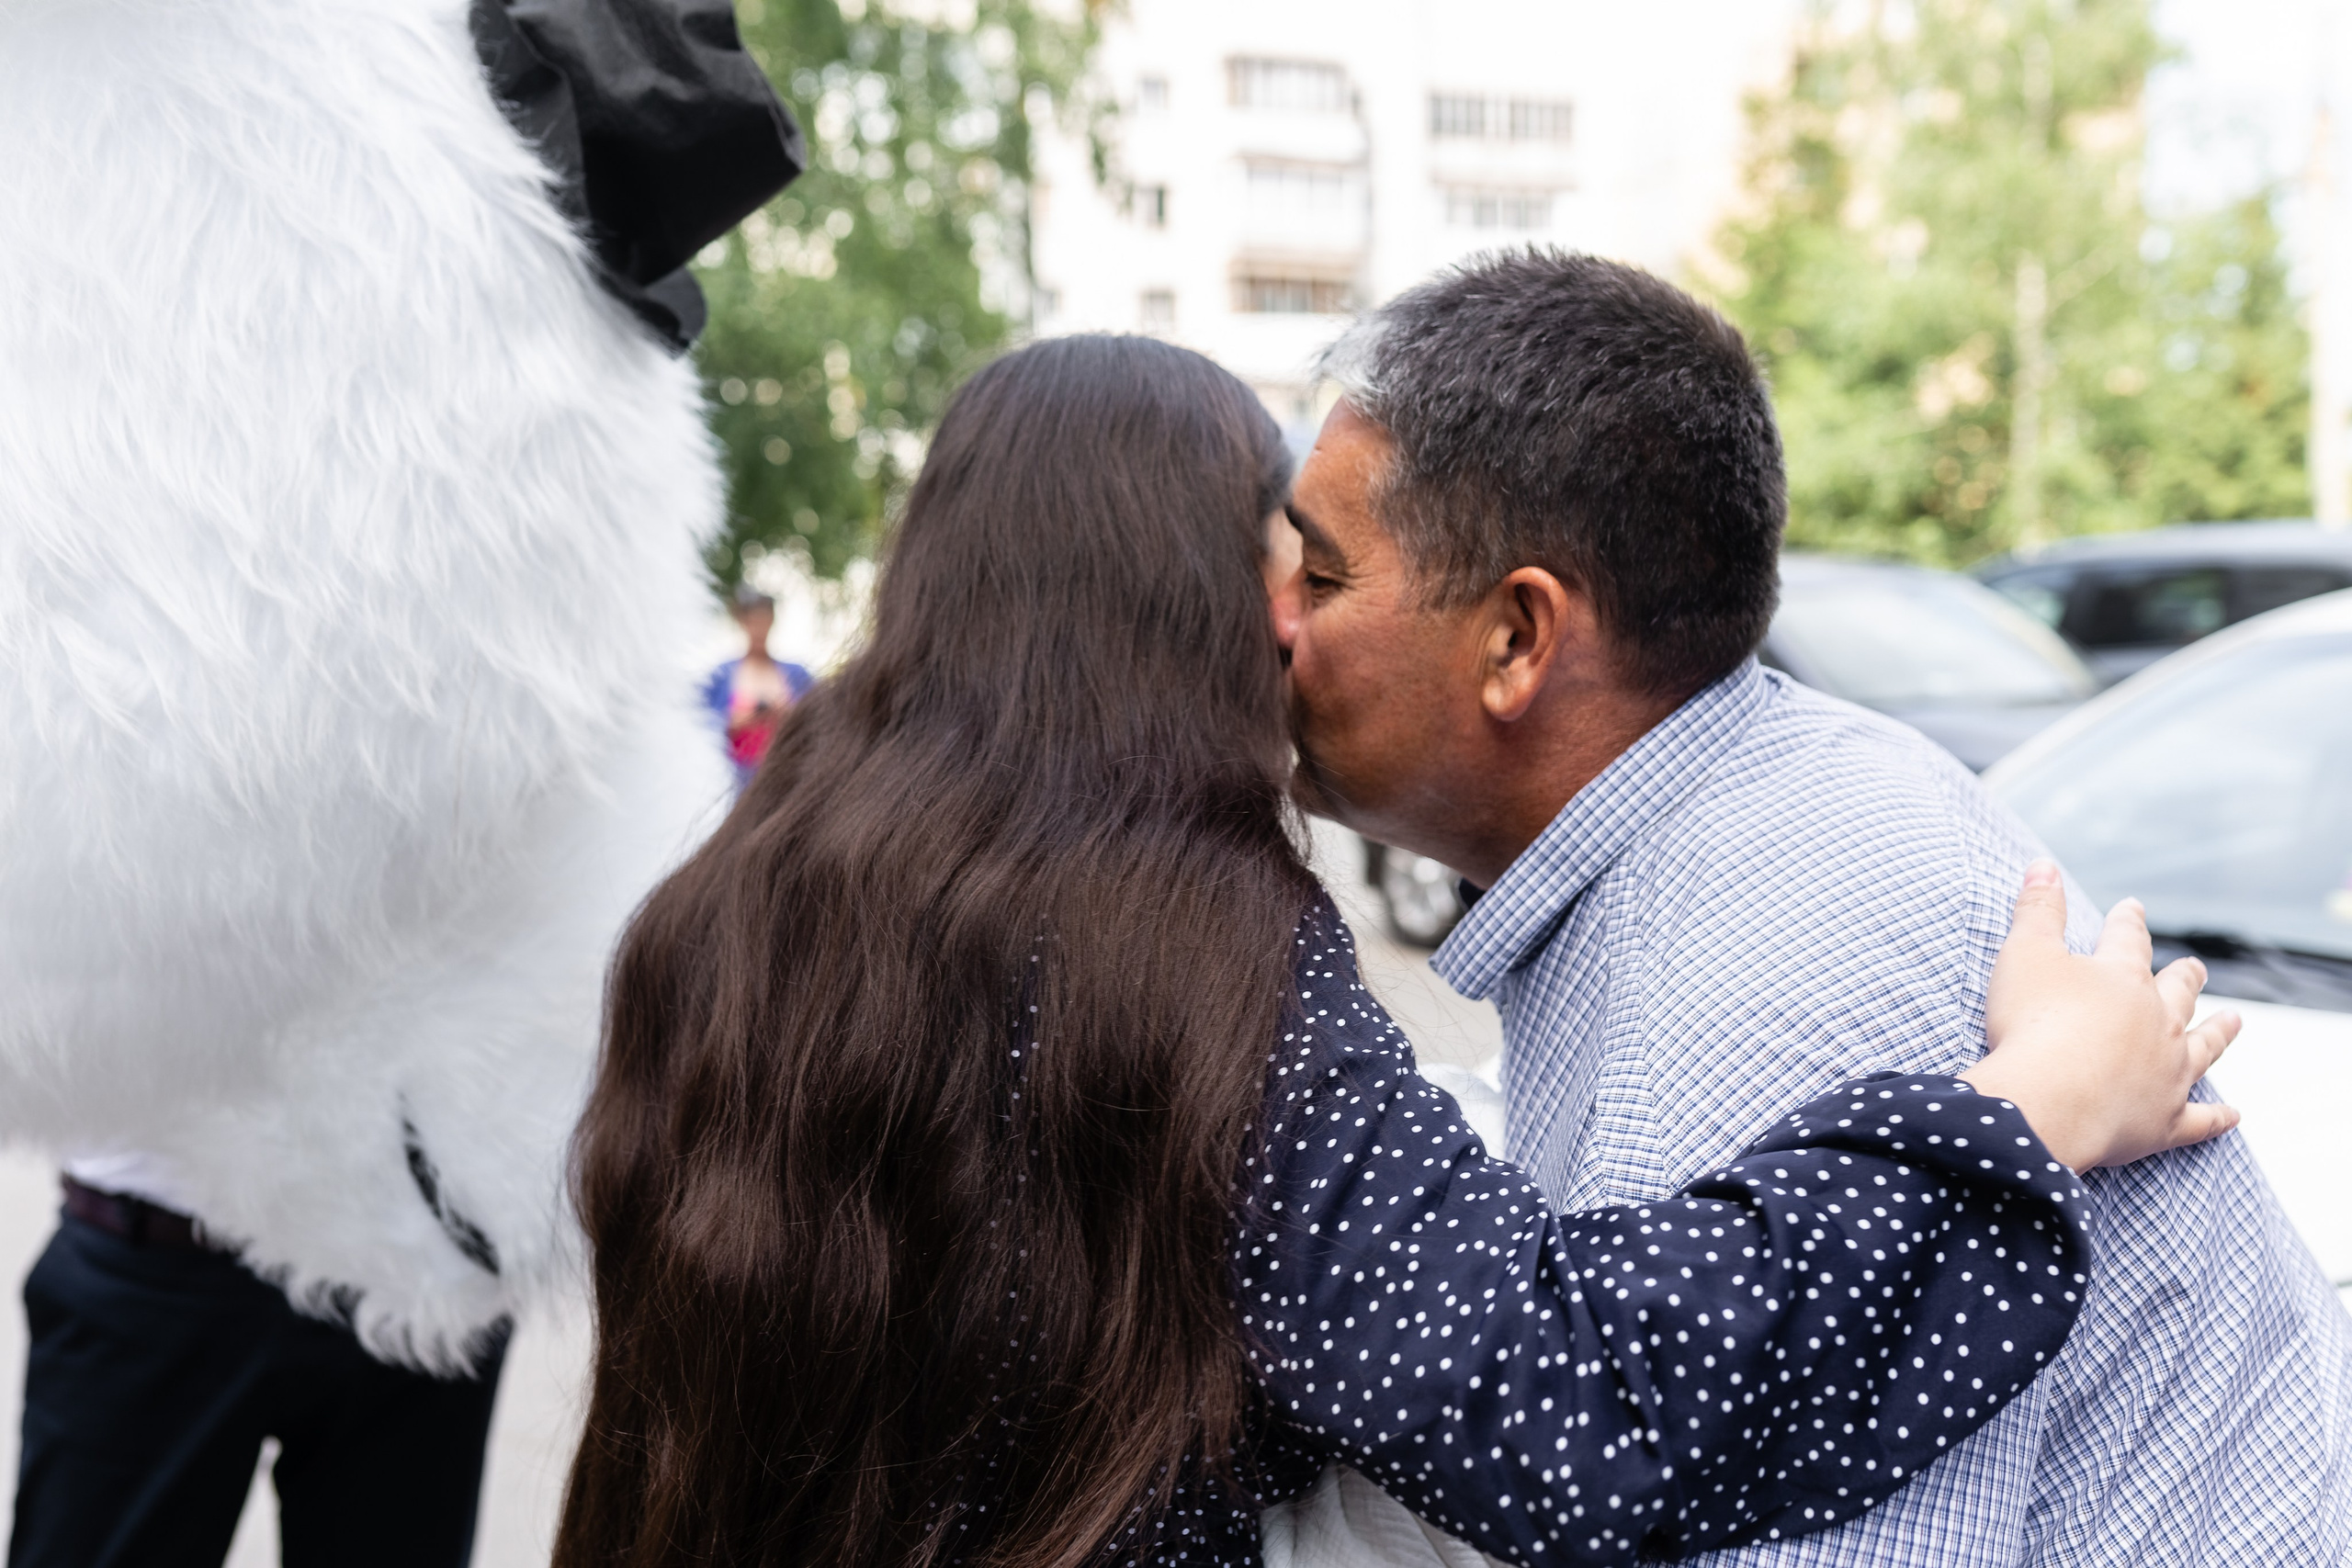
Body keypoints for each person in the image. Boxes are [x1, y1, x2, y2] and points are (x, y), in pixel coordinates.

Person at [551, 334, 2236, 1568]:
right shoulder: (1181, 952)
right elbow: (1561, 1401)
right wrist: (2024, 1117)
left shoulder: (723, 913)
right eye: (1283, 557)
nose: (1292, 620)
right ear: (1183, 595)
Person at [1275, 250, 2352, 1566]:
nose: (1276, 622)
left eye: (1322, 577)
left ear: (1517, 638)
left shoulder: (1757, 980)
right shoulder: (1755, 803)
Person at [704, 583, 813, 788]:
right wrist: (746, 717)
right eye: (753, 621)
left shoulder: (798, 674)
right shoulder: (721, 675)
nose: (759, 629)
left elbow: (817, 721)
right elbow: (703, 729)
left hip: (785, 775)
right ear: (742, 622)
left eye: (764, 620)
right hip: (735, 781)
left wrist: (787, 713)